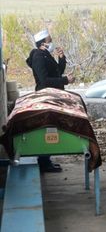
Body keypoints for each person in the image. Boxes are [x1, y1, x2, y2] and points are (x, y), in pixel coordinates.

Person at [26, 29, 75, 172]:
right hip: (46, 96)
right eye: (49, 40)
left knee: (51, 127)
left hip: (52, 95)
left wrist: (62, 58)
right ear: (43, 43)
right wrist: (65, 80)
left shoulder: (46, 55)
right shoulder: (38, 57)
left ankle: (46, 160)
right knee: (47, 128)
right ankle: (44, 161)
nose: (52, 42)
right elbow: (45, 80)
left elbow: (57, 72)